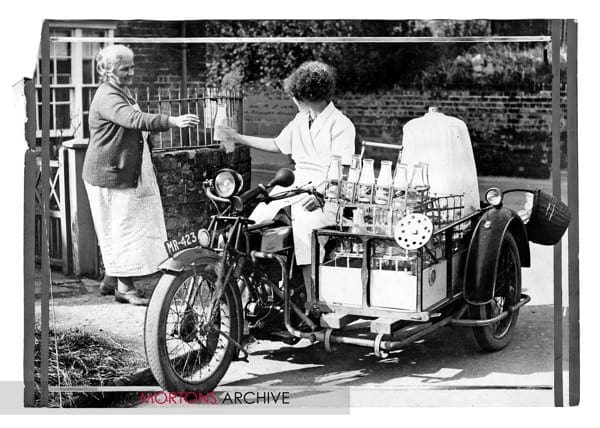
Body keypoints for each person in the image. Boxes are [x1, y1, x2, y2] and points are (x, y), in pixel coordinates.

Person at [218, 61, 356, 309]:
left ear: (305, 95)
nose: (293, 100)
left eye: (295, 96)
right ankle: (246, 296)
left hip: (326, 192)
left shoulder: (341, 124)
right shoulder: (300, 120)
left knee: (304, 227)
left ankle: (314, 299)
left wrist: (323, 196)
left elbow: (342, 171)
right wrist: (236, 137)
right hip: (294, 184)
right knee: (254, 221)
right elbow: (277, 144)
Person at [83, 45, 199, 305]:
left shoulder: (121, 90)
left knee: (123, 225)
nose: (131, 72)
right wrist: (172, 121)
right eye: (126, 68)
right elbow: (133, 119)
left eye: (132, 66)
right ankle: (124, 288)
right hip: (111, 173)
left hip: (123, 169)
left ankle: (111, 279)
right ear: (109, 70)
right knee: (124, 227)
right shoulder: (107, 96)